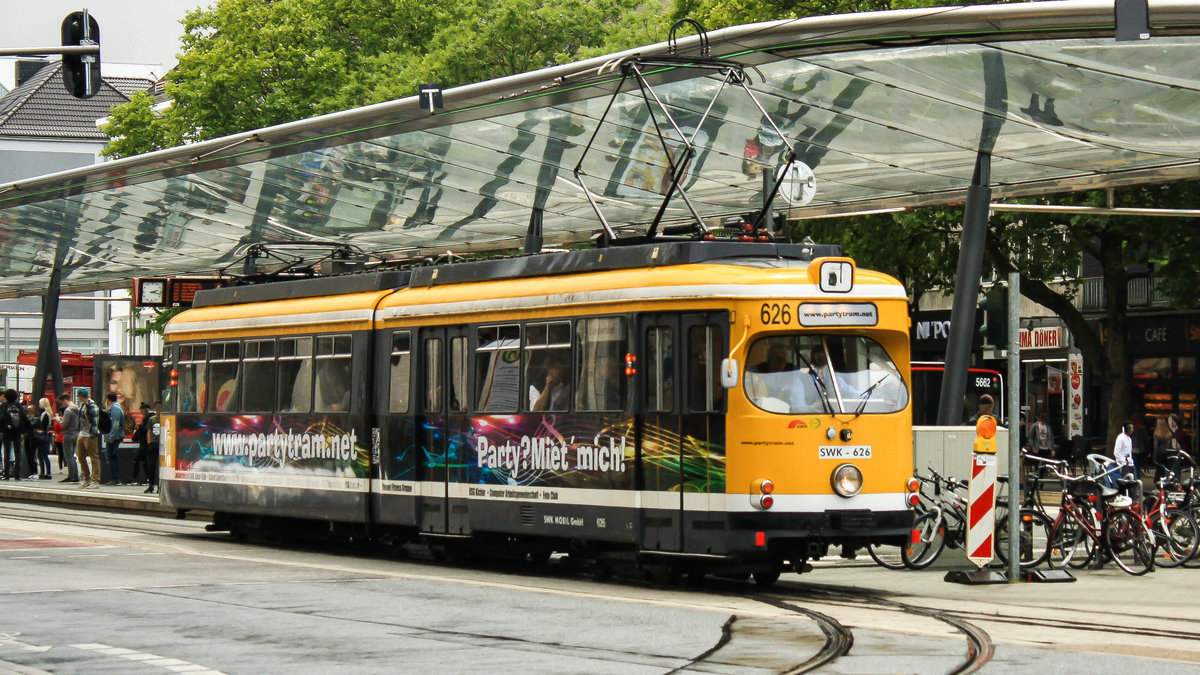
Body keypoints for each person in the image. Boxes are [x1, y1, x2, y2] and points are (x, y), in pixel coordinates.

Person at [75, 388, 101, 489]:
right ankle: (87, 478)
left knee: (94, 457)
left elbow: (95, 422)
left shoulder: (92, 406)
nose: (78, 398)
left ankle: (95, 480)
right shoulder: (83, 405)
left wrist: (93, 434)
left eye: (79, 396)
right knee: (80, 456)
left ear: (81, 396)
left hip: (90, 434)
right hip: (82, 433)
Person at [2, 389, 30, 480]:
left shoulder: (4, 405)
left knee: (7, 452)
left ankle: (6, 474)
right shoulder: (19, 406)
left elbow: (1, 418)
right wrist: (26, 430)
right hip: (17, 431)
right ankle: (17, 475)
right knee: (17, 453)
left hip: (7, 431)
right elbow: (25, 418)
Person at [131, 402, 157, 488]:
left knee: (138, 460)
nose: (141, 413)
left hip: (146, 444)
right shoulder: (148, 418)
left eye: (142, 411)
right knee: (145, 462)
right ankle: (147, 479)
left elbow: (146, 430)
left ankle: (136, 478)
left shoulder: (150, 419)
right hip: (146, 443)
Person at [103, 392, 126, 485]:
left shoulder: (115, 408)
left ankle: (116, 478)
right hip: (116, 435)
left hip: (115, 436)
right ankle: (115, 478)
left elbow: (115, 423)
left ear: (108, 399)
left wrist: (111, 436)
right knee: (111, 456)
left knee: (111, 456)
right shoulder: (116, 407)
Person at [58, 393, 80, 483]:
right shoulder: (77, 409)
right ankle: (75, 475)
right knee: (72, 455)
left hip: (68, 434)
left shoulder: (68, 410)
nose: (62, 404)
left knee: (69, 455)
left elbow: (64, 424)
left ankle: (72, 476)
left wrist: (58, 420)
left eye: (62, 402)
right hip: (76, 433)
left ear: (65, 400)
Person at [34, 398, 53, 479]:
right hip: (45, 435)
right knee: (43, 455)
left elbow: (42, 426)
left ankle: (45, 472)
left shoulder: (44, 414)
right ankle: (45, 472)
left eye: (40, 403)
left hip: (42, 435)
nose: (39, 405)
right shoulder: (47, 414)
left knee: (42, 454)